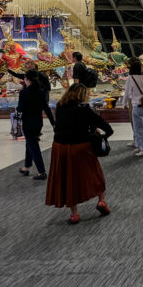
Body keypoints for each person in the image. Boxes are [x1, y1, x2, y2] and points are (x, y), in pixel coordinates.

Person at [46, 83, 113, 224]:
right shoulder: (84, 109)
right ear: (83, 95)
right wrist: (101, 136)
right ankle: (102, 201)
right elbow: (106, 127)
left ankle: (74, 214)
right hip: (80, 146)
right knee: (96, 174)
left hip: (60, 147)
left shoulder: (59, 107)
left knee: (68, 179)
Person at [16, 68, 55, 180]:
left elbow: (20, 108)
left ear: (27, 79)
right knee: (30, 142)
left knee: (33, 145)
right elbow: (46, 108)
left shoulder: (24, 92)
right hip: (38, 122)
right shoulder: (41, 91)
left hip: (28, 122)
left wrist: (18, 106)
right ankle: (26, 167)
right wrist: (53, 123)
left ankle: (42, 171)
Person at [121, 58, 143, 157]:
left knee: (138, 129)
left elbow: (126, 93)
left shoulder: (130, 79)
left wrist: (123, 104)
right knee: (139, 127)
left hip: (137, 106)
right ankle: (139, 145)